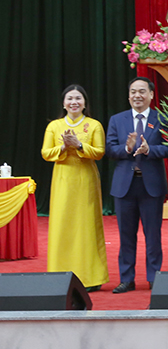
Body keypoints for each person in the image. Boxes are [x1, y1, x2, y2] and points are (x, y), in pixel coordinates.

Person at [106, 77, 168, 293]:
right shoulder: (117, 120)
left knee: (153, 235)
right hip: (124, 186)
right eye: (133, 92)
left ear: (151, 95)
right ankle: (127, 279)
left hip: (151, 185)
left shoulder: (161, 119)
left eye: (142, 91)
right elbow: (110, 149)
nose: (137, 95)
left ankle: (154, 278)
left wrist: (149, 150)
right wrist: (127, 149)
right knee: (126, 235)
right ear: (128, 96)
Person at [41, 85, 108, 291]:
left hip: (85, 179)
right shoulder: (54, 126)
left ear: (85, 103)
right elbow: (45, 153)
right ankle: (60, 275)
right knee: (62, 225)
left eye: (78, 98)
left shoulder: (94, 125)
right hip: (63, 179)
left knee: (86, 226)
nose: (74, 102)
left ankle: (91, 278)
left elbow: (99, 152)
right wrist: (63, 146)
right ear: (63, 103)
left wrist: (79, 145)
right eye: (70, 98)